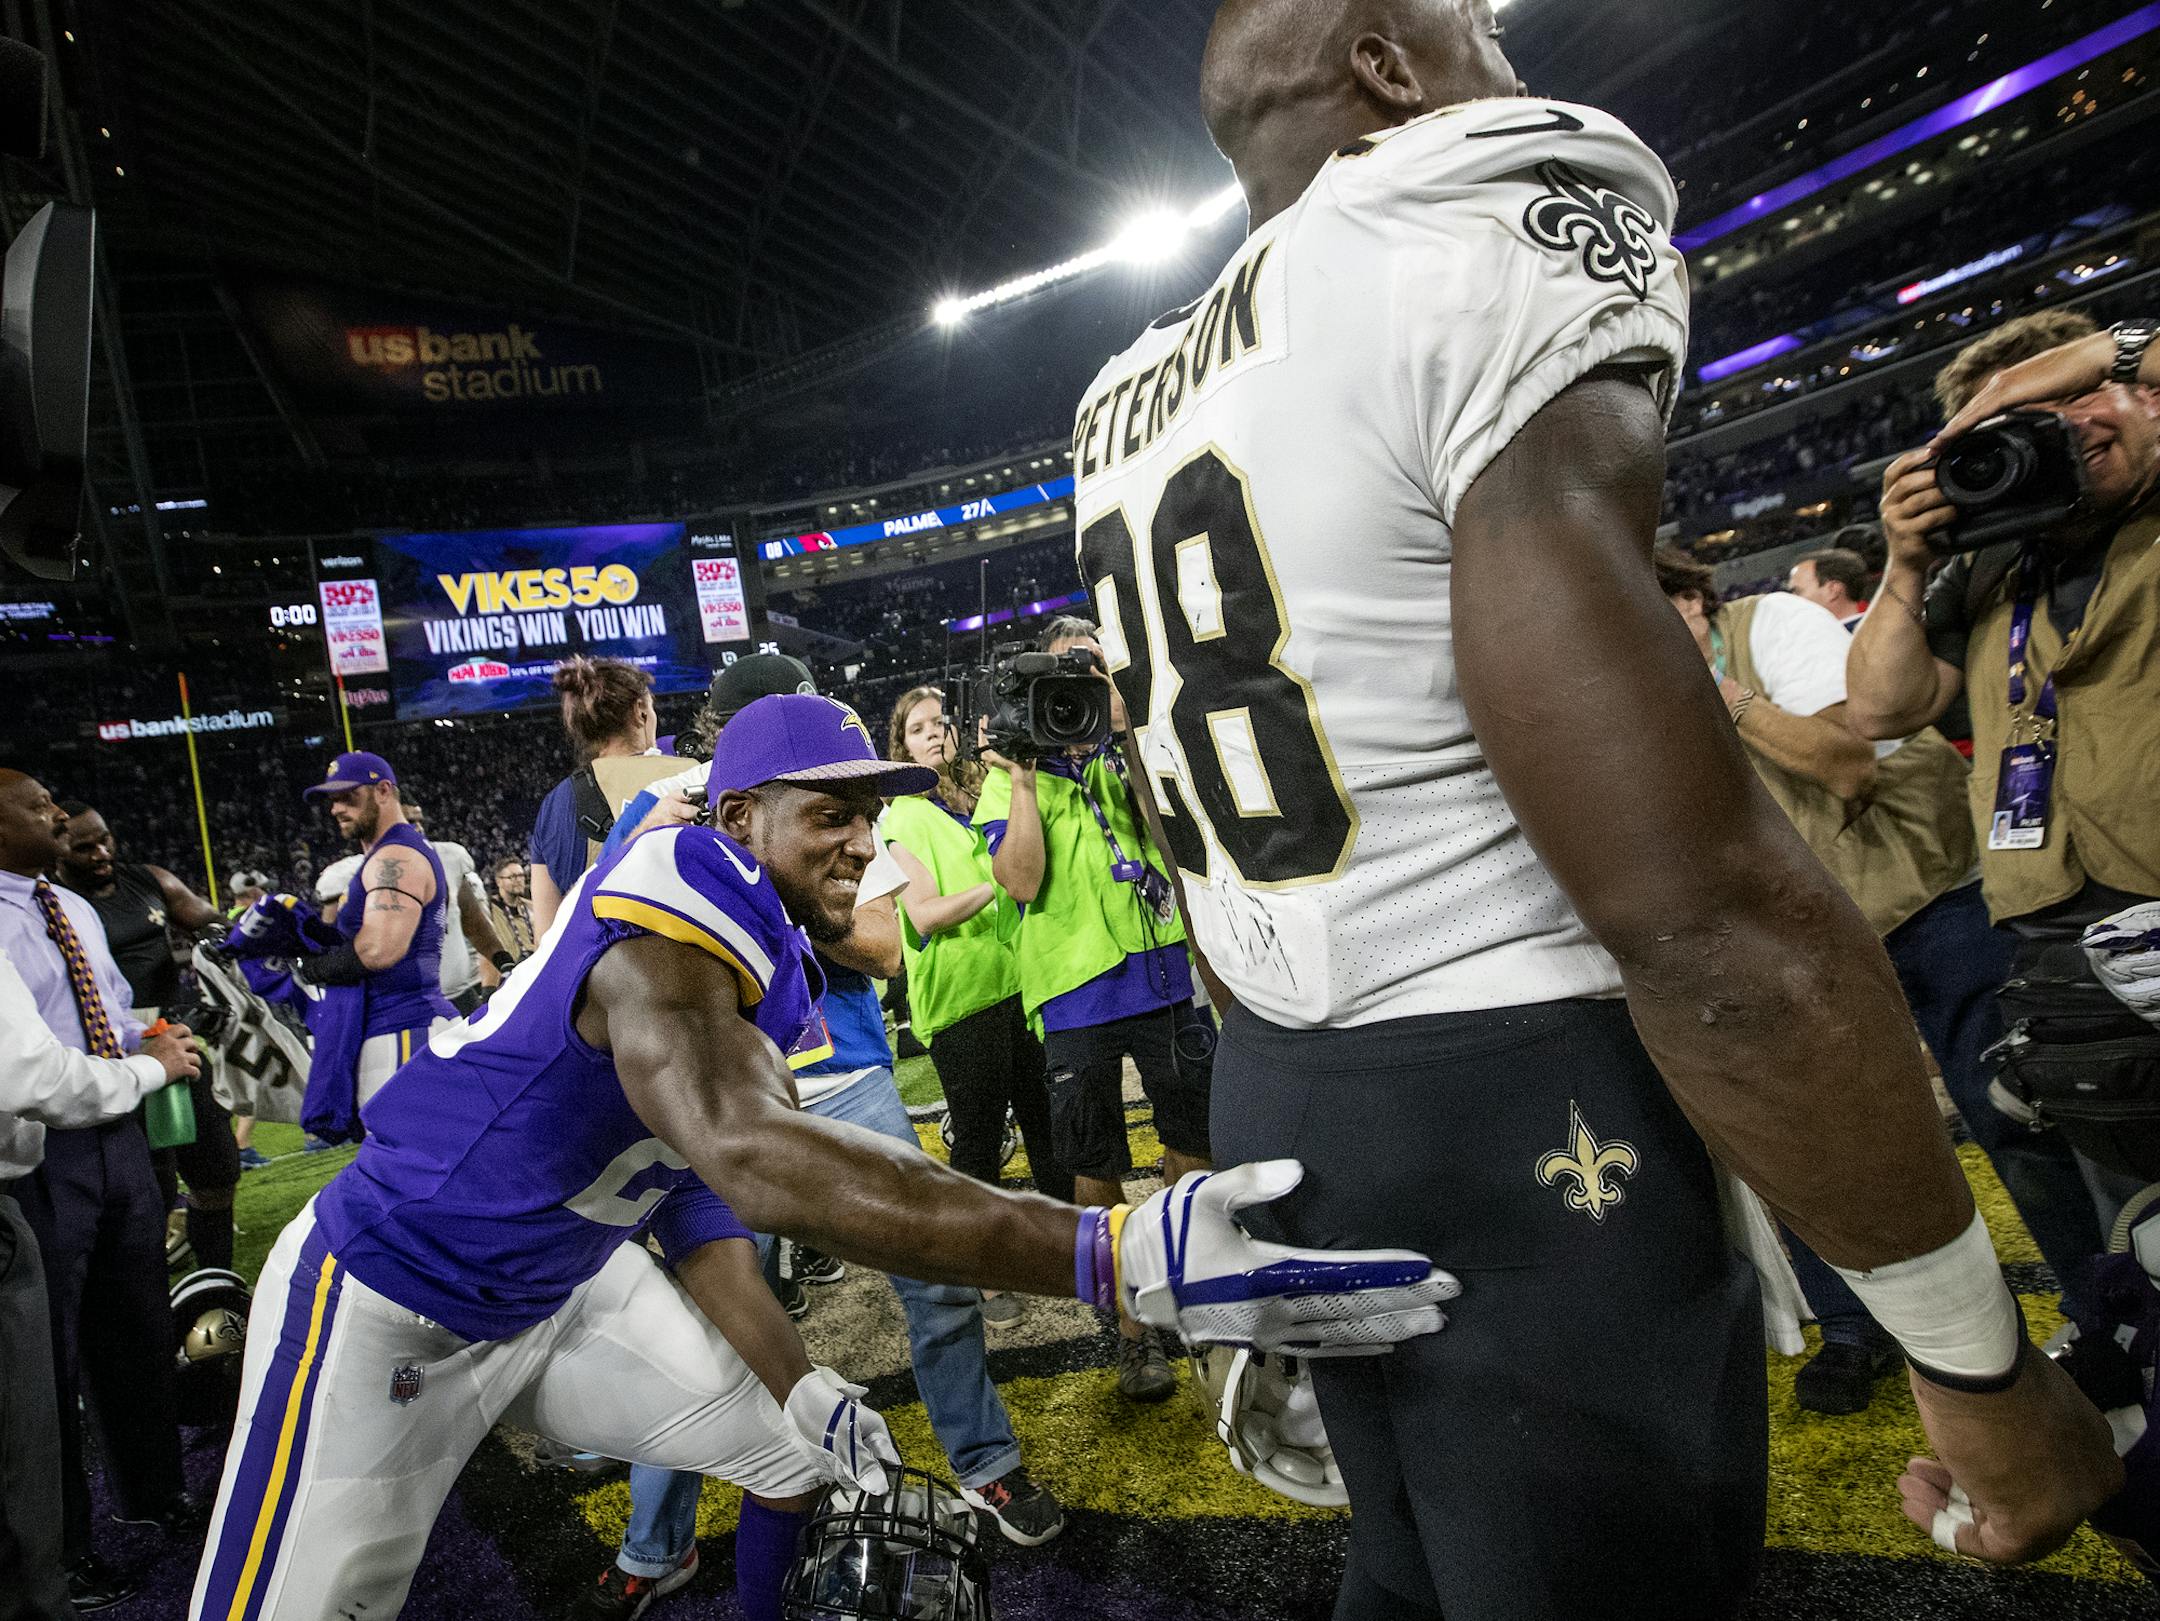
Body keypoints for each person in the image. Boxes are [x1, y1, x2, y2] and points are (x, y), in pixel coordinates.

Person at [1066, 6, 2118, 1614]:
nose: (1504, 44)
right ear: (1388, 67)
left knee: (1413, 1573)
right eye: (1471, 22)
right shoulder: (1460, 219)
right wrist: (1978, 1365)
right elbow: (1701, 906)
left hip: (1293, 1082)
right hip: (1525, 1093)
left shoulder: (1126, 389)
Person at [186, 694, 1449, 1621]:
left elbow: (690, 1198)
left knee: (801, 1453)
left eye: (875, 813)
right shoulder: (686, 868)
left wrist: (797, 1381)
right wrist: (1107, 1250)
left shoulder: (771, 946)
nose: (863, 841)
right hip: (387, 1296)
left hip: (557, 1285)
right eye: (833, 813)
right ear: (742, 815)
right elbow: (755, 1153)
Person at [589, 680, 1069, 1602]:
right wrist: (690, 856)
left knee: (933, 1268)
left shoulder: (825, 807)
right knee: (713, 1317)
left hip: (839, 1070)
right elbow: (597, 927)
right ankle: (655, 1545)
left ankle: (985, 1459)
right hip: (716, 1098)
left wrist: (773, 889)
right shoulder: (669, 820)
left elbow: (884, 945)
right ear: (718, 737)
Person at [1656, 548, 2105, 1415]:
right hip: (1788, 938)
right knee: (1810, 1146)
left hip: (1924, 898)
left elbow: (1847, 763)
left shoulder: (1775, 626)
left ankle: (2104, 1307)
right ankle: (1853, 1329)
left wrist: (1722, 700)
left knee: (2012, 1111)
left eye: (1653, 604)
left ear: (1691, 598)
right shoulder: (1637, 695)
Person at [1848, 309, 2160, 1240]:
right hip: (2056, 930)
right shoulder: (1988, 563)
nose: (2065, 426)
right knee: (2135, 1223)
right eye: (2025, 421)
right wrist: (1907, 563)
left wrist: (2112, 348)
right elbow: (1880, 707)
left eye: (2078, 395)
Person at [977, 617, 1213, 1402]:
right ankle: (1133, 1332)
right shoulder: (1012, 770)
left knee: (1193, 1136)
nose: (1076, 694)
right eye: (1067, 680)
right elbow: (1018, 880)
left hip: (1162, 971)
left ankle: (1199, 1297)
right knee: (1092, 1160)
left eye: (1093, 672)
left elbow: (1170, 839)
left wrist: (1128, 729)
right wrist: (1020, 776)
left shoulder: (1129, 749)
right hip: (1073, 989)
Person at [0, 769, 205, 1611]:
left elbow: (105, 1012)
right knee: (42, 1362)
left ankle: (154, 1494)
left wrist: (149, 1037)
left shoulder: (69, 905)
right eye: (37, 803)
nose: (57, 811)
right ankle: (65, 1550)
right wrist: (139, 1067)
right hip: (42, 1150)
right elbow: (32, 1071)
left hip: (119, 1133)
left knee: (136, 1319)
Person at [883, 685, 1068, 1216]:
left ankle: (1074, 1246)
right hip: (962, 1001)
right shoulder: (902, 817)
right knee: (979, 1144)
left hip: (1019, 984)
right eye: (917, 729)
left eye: (940, 722)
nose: (933, 734)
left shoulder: (980, 794)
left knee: (1048, 1127)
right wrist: (1000, 881)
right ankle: (981, 1276)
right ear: (904, 748)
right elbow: (923, 914)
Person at [56, 802, 243, 1272]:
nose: (100, 853)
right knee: (150, 1188)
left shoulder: (148, 880)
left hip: (176, 1038)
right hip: (114, 1052)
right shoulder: (57, 904)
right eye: (84, 847)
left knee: (217, 1169)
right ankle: (152, 1294)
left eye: (104, 839)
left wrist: (220, 954)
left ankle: (216, 1282)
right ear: (59, 849)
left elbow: (214, 924)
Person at [296, 751, 457, 1130]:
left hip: (404, 1029)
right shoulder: (388, 855)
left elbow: (379, 950)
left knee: (409, 1168)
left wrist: (311, 967)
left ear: (384, 790)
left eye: (348, 796)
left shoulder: (396, 856)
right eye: (332, 800)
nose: (336, 808)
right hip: (395, 1028)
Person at [530, 657, 677, 936]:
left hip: (593, 969)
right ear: (640, 711)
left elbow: (546, 936)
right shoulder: (691, 776)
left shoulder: (554, 804)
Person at [404, 800, 515, 1014]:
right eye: (409, 822)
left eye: (420, 821)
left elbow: (474, 924)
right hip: (409, 1005)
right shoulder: (362, 873)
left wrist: (504, 962)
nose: (418, 829)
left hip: (461, 996)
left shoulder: (449, 859)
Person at [1787, 545, 1872, 628]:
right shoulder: (1875, 628)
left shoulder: (1860, 638)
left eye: (1798, 592)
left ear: (1833, 590)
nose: (1790, 600)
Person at [490, 854, 536, 962]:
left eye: (521, 875)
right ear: (498, 881)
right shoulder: (491, 909)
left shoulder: (532, 907)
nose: (519, 880)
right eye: (513, 877)